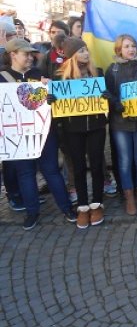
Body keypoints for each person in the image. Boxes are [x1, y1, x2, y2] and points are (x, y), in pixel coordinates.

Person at [0, 39, 76, 230]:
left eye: (31, 53)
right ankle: (32, 212)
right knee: (25, 173)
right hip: (16, 135)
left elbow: (49, 104)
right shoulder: (2, 78)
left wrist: (50, 97)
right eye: (26, 54)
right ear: (13, 55)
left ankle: (67, 208)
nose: (30, 57)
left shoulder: (39, 75)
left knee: (51, 170)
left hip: (43, 133)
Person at [54, 37, 107, 229]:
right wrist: (51, 101)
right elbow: (55, 107)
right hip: (72, 130)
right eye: (81, 50)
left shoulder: (98, 74)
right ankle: (83, 206)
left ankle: (97, 204)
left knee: (97, 165)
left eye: (86, 50)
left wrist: (108, 97)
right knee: (77, 167)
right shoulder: (61, 78)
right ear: (72, 56)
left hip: (96, 127)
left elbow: (108, 99)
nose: (86, 53)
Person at [105, 34, 137, 216]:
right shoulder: (112, 70)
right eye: (127, 46)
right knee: (125, 161)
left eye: (133, 46)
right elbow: (107, 94)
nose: (131, 49)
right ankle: (128, 196)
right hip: (120, 123)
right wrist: (116, 103)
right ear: (119, 49)